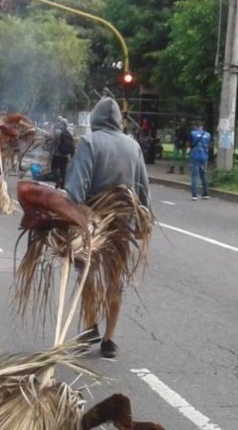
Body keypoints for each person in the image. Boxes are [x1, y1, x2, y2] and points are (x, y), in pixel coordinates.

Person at [65, 97, 151, 359]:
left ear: (95, 119)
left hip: (92, 222)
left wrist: (73, 218)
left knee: (87, 275)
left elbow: (75, 189)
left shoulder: (90, 143)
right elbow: (143, 191)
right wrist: (142, 224)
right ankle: (109, 340)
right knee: (116, 279)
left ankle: (90, 326)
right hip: (122, 225)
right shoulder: (133, 146)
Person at [189, 119, 212, 201]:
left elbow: (190, 144)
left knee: (195, 175)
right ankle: (205, 193)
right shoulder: (208, 135)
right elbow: (210, 146)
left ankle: (194, 195)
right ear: (202, 127)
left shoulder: (193, 133)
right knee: (204, 175)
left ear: (196, 126)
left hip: (195, 156)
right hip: (204, 156)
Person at [52, 119, 75, 190]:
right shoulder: (70, 133)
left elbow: (54, 142)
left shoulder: (57, 132)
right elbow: (72, 144)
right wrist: (72, 154)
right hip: (65, 156)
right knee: (63, 170)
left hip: (57, 154)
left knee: (54, 168)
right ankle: (63, 185)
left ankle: (58, 179)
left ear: (61, 124)